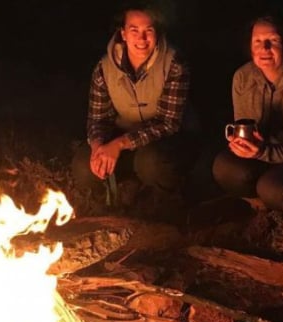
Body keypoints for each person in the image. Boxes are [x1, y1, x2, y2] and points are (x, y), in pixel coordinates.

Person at [71, 0, 197, 212]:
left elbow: (168, 123)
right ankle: (106, 209)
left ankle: (166, 209)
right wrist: (98, 147)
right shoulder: (104, 68)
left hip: (166, 140)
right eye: (134, 30)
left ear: (157, 33)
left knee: (151, 163)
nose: (141, 38)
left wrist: (119, 145)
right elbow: (98, 118)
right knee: (84, 166)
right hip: (123, 136)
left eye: (148, 30)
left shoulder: (174, 63)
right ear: (123, 34)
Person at [211, 14, 283, 215]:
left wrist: (262, 152)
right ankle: (261, 208)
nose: (264, 48)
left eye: (273, 41)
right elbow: (245, 126)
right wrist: (242, 145)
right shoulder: (243, 77)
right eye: (257, 41)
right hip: (266, 152)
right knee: (225, 168)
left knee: (272, 190)